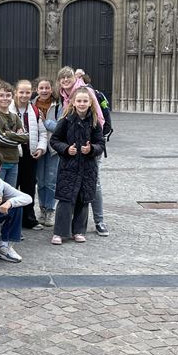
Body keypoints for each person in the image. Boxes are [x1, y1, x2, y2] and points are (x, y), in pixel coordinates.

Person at [49, 87, 105, 245]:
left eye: (85, 101)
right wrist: (66, 149)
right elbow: (55, 140)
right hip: (69, 166)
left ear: (90, 103)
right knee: (66, 200)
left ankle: (79, 230)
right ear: (73, 102)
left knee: (83, 200)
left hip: (88, 167)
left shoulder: (94, 121)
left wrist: (91, 149)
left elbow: (101, 143)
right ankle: (60, 232)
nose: (82, 104)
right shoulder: (66, 120)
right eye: (79, 101)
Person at [75, 70, 112, 237]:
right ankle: (74, 224)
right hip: (72, 152)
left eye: (76, 78)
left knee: (94, 183)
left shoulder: (94, 97)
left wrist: (93, 148)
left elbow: (102, 134)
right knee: (72, 183)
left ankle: (99, 221)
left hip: (90, 151)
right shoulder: (62, 96)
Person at [10, 79, 47, 230]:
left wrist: (41, 148)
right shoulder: (8, 110)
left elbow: (43, 133)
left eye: (27, 92)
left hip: (30, 154)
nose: (24, 95)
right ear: (16, 93)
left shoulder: (36, 110)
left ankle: (29, 218)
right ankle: (10, 218)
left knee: (29, 187)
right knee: (12, 187)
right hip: (13, 154)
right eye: (21, 92)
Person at [32, 77, 62, 228]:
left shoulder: (58, 105)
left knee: (51, 182)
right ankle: (42, 209)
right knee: (40, 182)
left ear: (51, 89)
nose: (44, 91)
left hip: (53, 149)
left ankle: (50, 210)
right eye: (41, 88)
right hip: (36, 147)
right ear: (36, 89)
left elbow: (62, 127)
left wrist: (46, 123)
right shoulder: (32, 105)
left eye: (47, 88)